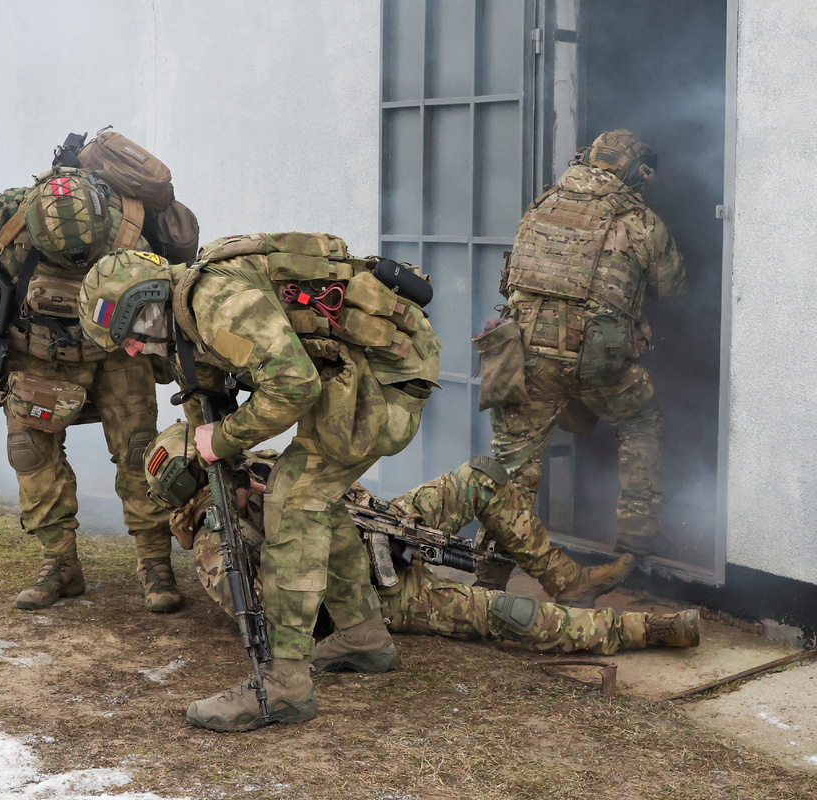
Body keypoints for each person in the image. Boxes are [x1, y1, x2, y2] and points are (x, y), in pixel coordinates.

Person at [78, 233, 439, 731]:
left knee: (293, 501)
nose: (134, 351)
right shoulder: (184, 323)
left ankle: (284, 686)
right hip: (347, 370)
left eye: (130, 336)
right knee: (318, 497)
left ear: (146, 305)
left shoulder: (217, 304)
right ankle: (363, 637)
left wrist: (225, 439)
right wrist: (230, 471)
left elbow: (294, 385)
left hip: (385, 373)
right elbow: (205, 402)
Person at [142, 421, 699, 662]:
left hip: (387, 526)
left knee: (481, 477)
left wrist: (379, 524)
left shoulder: (254, 465)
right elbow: (284, 622)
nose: (235, 465)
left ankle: (568, 580)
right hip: (370, 595)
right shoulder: (217, 550)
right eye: (220, 467)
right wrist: (350, 556)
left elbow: (336, 482)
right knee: (506, 615)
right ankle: (642, 630)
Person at [0, 155, 189, 614]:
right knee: (30, 452)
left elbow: (169, 286)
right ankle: (59, 563)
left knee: (140, 452)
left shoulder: (129, 228)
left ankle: (155, 563)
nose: (74, 261)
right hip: (35, 351)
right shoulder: (5, 215)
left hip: (118, 353)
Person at [490, 129, 686, 560]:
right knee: (641, 420)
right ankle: (638, 533)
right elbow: (672, 286)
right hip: (599, 358)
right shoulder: (642, 220)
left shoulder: (542, 205)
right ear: (636, 172)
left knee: (513, 464)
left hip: (527, 356)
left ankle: (492, 568)